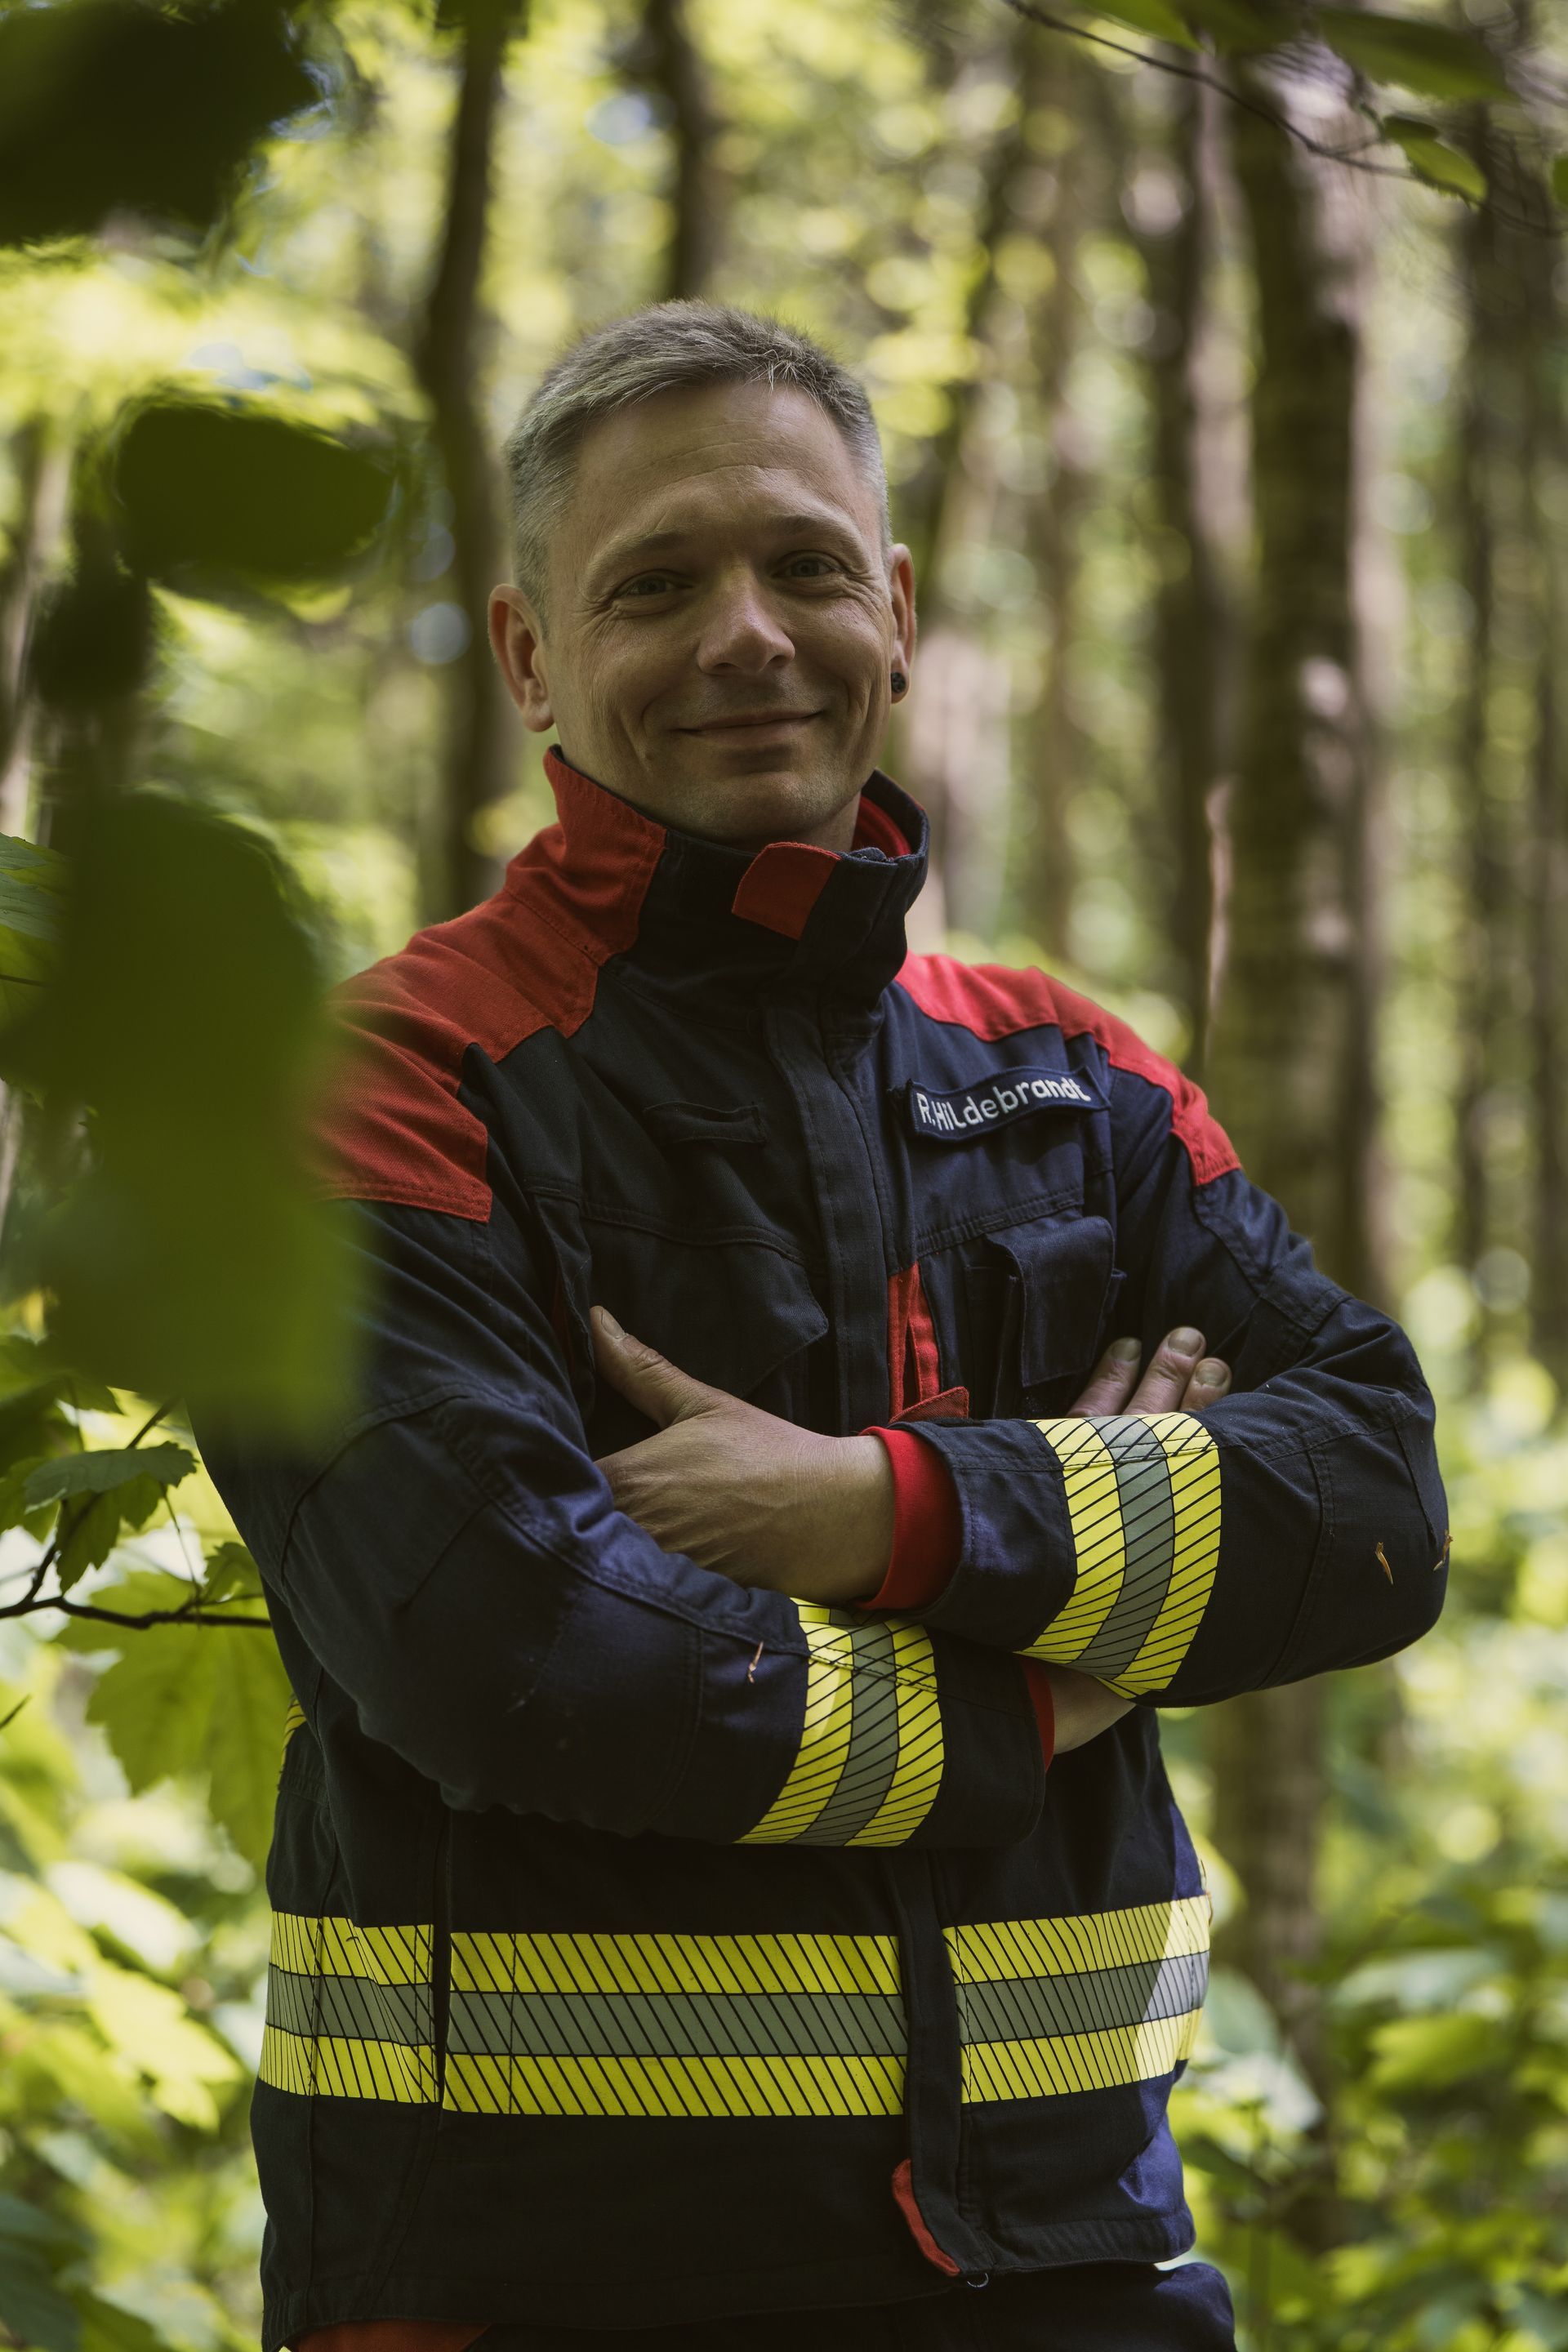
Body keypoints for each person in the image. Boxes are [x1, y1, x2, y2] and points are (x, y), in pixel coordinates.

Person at [198, 302, 1448, 2352]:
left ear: (899, 609)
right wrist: (1058, 1685)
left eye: (804, 565)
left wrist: (882, 1510)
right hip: (531, 2289)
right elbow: (517, 1655)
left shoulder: (1078, 1083)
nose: (747, 636)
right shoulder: (380, 1089)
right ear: (528, 656)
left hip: (1073, 2271)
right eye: (654, 585)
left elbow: (1379, 1498)